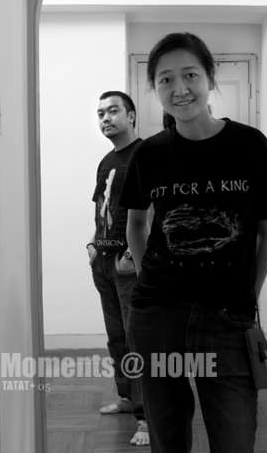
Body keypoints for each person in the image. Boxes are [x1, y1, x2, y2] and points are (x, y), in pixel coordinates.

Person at [120, 33, 267, 452]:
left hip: (227, 317)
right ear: (154, 88)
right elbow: (136, 224)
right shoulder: (150, 154)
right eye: (165, 79)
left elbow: (265, 231)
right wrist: (146, 279)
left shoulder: (250, 145)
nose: (179, 89)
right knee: (168, 438)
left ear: (210, 78)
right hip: (159, 317)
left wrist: (249, 295)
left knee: (235, 437)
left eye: (190, 75)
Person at [87, 90, 149, 446]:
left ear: (131, 116)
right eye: (101, 114)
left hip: (130, 265)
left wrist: (135, 256)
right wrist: (93, 245)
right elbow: (102, 208)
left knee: (136, 338)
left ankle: (147, 417)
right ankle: (127, 397)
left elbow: (154, 211)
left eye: (113, 111)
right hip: (104, 263)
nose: (106, 118)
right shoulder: (106, 160)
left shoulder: (145, 155)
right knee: (116, 337)